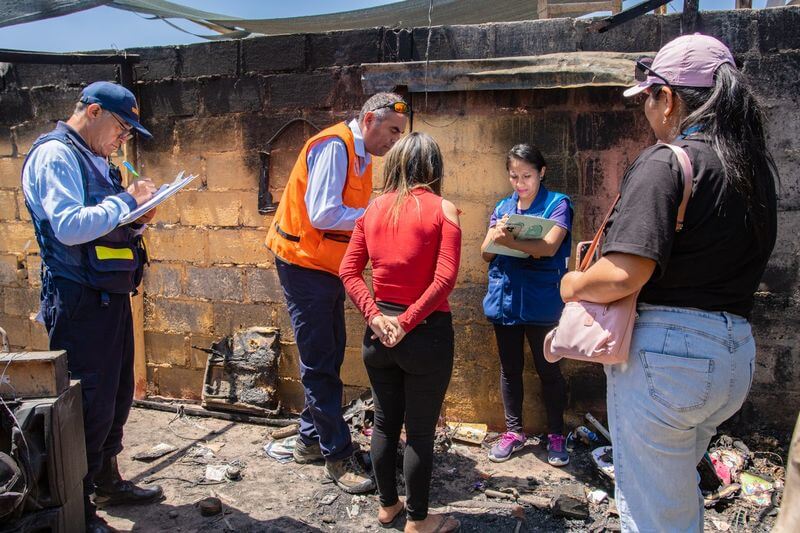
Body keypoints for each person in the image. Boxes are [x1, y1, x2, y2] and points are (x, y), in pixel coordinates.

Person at [559, 34, 778, 531]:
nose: (647, 112)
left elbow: (624, 272)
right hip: (732, 355)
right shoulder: (753, 169)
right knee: (676, 495)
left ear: (670, 98)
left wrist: (572, 284)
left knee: (652, 511)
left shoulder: (668, 162)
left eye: (649, 98)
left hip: (668, 360)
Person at [21, 81, 164, 533]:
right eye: (123, 128)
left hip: (110, 292)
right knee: (87, 402)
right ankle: (78, 506)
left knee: (116, 395)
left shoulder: (97, 158)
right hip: (78, 296)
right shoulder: (56, 155)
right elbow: (68, 226)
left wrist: (138, 220)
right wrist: (128, 200)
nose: (124, 139)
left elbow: (105, 225)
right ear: (95, 111)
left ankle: (107, 478)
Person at [265, 92, 409, 493]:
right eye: (392, 131)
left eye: (400, 134)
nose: (395, 141)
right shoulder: (335, 147)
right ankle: (337, 455)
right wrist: (378, 214)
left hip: (324, 265)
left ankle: (310, 440)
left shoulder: (359, 155)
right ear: (368, 120)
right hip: (303, 263)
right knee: (319, 360)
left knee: (329, 351)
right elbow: (324, 213)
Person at [340, 132, 462, 533]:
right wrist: (406, 323)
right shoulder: (444, 209)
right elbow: (444, 281)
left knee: (386, 424)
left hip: (379, 338)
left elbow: (348, 271)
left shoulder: (373, 209)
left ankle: (388, 506)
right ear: (434, 167)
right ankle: (419, 521)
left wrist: (377, 319)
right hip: (424, 335)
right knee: (420, 432)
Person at [480, 144, 572, 466]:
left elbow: (548, 248)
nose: (520, 183)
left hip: (541, 302)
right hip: (505, 300)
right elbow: (485, 252)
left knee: (548, 370)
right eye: (514, 176)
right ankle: (514, 431)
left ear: (542, 172)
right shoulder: (503, 207)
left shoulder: (558, 204)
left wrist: (509, 241)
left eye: (527, 176)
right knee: (510, 370)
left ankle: (556, 434)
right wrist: (497, 237)